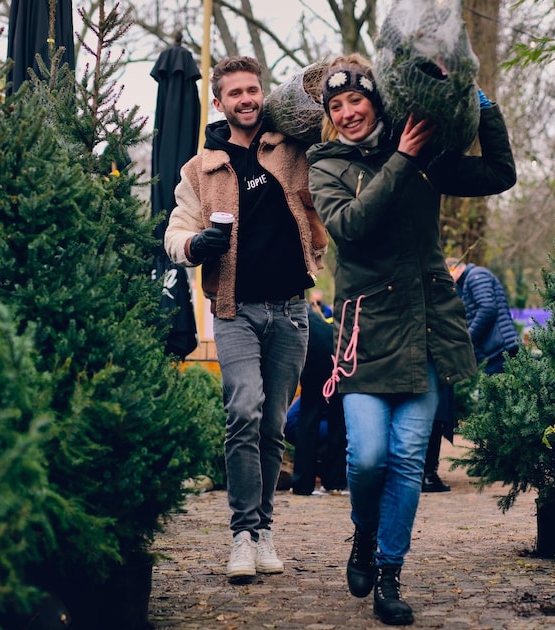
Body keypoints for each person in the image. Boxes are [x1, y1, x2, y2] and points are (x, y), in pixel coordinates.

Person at [307, 54, 516, 625]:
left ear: (376, 99)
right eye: (337, 105)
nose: (348, 112)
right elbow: (349, 225)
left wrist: (477, 99)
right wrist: (402, 158)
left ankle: (389, 576)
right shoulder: (325, 163)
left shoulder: (425, 151)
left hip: (426, 325)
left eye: (357, 100)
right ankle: (363, 534)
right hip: (366, 331)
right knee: (367, 455)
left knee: (405, 461)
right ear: (329, 115)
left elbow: (500, 174)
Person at [164, 55, 328, 584]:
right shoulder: (200, 168)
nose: (246, 99)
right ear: (220, 102)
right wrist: (195, 244)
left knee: (273, 423)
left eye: (253, 90)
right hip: (234, 312)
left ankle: (264, 531)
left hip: (292, 311)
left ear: (264, 93)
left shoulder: (292, 149)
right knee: (244, 409)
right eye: (235, 93)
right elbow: (174, 233)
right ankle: (241, 533)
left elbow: (334, 127)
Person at [420, 259, 522, 493]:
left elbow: (487, 309)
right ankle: (493, 463)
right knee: (492, 406)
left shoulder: (477, 277)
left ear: (454, 269)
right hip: (493, 350)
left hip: (499, 350)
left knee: (495, 408)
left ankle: (499, 464)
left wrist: (465, 340)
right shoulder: (471, 281)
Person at [291, 307, 347, 496]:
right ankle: (335, 482)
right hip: (337, 356)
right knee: (338, 419)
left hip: (315, 355)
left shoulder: (292, 311)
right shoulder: (311, 314)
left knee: (308, 416)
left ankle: (302, 483)